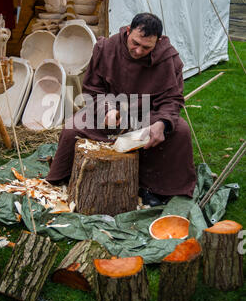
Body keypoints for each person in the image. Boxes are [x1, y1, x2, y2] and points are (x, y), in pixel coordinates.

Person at [46, 13, 197, 207]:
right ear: (128, 31)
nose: (138, 50)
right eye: (135, 43)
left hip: (147, 115)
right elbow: (93, 89)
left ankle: (154, 188)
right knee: (73, 128)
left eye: (146, 47)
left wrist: (162, 122)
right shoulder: (106, 48)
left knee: (180, 132)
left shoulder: (168, 58)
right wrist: (107, 110)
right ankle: (66, 178)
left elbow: (172, 99)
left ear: (157, 42)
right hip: (109, 112)